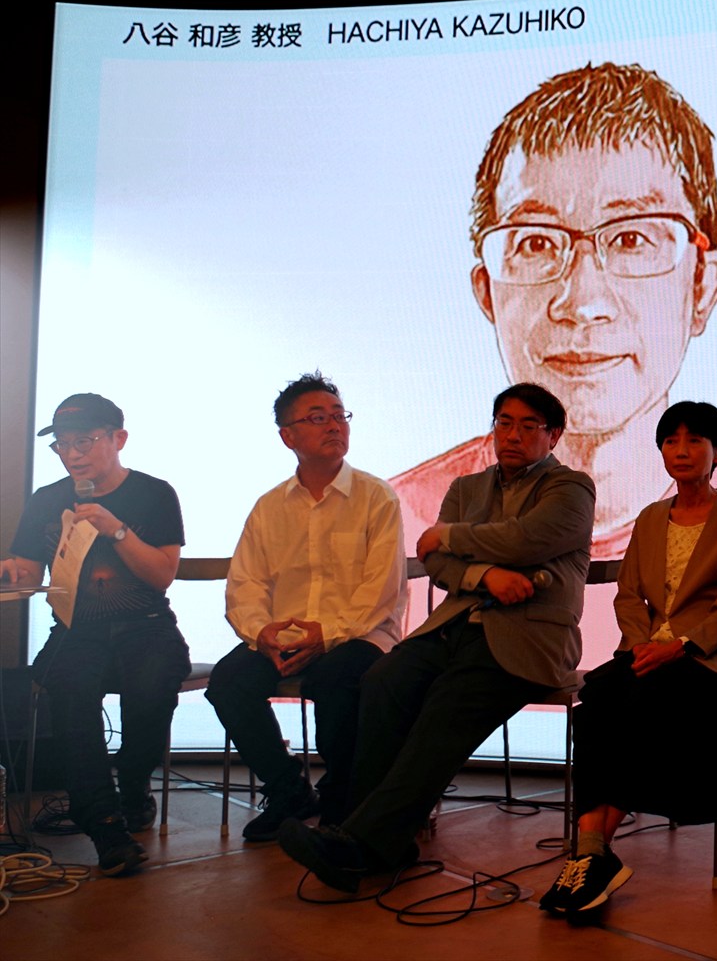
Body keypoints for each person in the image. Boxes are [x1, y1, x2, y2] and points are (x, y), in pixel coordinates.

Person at [388, 62, 717, 681]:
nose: (582, 302)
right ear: (486, 290)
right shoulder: (405, 516)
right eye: (535, 243)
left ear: (703, 286)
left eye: (633, 239)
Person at [278, 382, 593, 893]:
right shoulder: (466, 488)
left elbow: (526, 539)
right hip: (453, 626)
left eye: (528, 426)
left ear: (553, 435)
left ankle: (358, 846)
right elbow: (438, 564)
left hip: (528, 639)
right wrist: (485, 575)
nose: (512, 435)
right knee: (382, 680)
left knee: (446, 705)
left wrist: (450, 534)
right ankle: (374, 835)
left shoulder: (571, 488)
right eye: (504, 423)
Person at [539, 400, 717, 915]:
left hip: (711, 660)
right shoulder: (651, 517)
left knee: (643, 705)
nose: (681, 450)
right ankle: (591, 853)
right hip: (646, 653)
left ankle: (591, 855)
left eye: (694, 441)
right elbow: (628, 594)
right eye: (670, 441)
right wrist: (642, 644)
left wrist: (678, 647)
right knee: (594, 704)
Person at [206, 372, 406, 841]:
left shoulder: (376, 497)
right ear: (288, 436)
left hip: (361, 635)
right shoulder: (269, 507)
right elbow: (246, 584)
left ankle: (343, 802)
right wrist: (262, 634)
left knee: (336, 679)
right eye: (318, 418)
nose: (334, 426)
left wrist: (326, 635)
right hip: (287, 636)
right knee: (228, 682)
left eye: (340, 416)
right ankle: (288, 790)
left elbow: (380, 591)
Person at [0, 393, 190, 877]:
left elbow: (162, 576)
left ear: (118, 439)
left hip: (146, 625)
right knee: (69, 688)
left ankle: (133, 783)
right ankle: (106, 827)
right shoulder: (47, 499)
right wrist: (12, 571)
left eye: (83, 441)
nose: (72, 454)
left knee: (152, 688)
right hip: (77, 630)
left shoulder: (153, 493)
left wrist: (117, 530)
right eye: (62, 444)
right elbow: (27, 571)